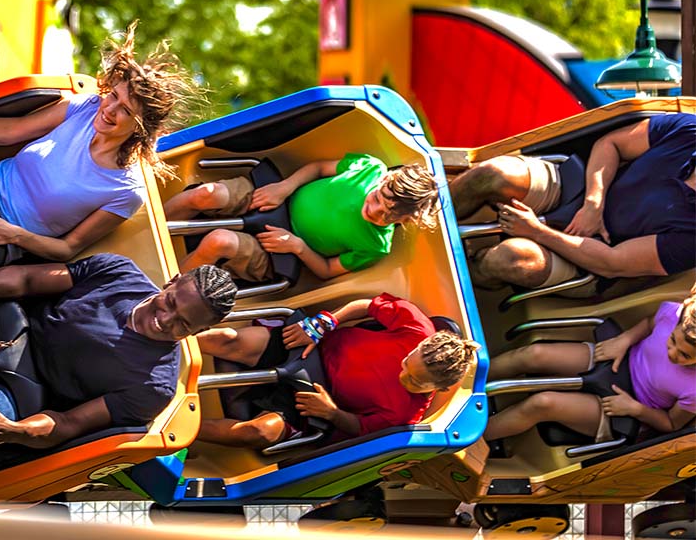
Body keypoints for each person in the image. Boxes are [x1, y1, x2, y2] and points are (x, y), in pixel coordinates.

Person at [0, 21, 206, 278]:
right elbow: (13, 130)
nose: (110, 110)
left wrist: (12, 235)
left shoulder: (126, 189)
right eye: (114, 97)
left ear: (141, 127)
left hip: (3, 234)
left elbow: (67, 249)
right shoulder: (85, 107)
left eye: (126, 111)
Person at [0, 253, 237, 449]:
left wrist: (18, 431)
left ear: (199, 332)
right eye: (170, 303)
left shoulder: (155, 387)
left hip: (24, 390)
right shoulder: (118, 272)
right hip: (11, 330)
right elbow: (30, 279)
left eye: (183, 324)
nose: (165, 319)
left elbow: (68, 423)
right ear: (172, 281)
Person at [193, 293, 478, 447]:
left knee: (257, 433)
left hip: (314, 400)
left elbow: (361, 428)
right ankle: (169, 341)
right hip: (310, 347)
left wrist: (331, 412)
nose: (404, 376)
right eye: (407, 364)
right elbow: (365, 305)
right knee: (229, 340)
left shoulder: (406, 415)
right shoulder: (416, 326)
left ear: (438, 389)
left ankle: (171, 430)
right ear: (420, 345)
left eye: (415, 381)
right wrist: (323, 324)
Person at [449, 112, 695, 290]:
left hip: (590, 255)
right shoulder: (688, 129)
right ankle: (425, 213)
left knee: (512, 258)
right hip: (578, 189)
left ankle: (450, 278)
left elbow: (613, 263)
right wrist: (593, 204)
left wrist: (537, 231)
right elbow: (611, 144)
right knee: (493, 174)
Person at [163, 154, 440, 282]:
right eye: (378, 199)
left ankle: (166, 286)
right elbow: (319, 168)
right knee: (206, 194)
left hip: (280, 249)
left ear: (403, 222)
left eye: (388, 217)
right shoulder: (368, 167)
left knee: (219, 240)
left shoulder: (375, 246)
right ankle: (143, 225)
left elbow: (327, 270)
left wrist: (297, 246)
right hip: (276, 198)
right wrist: (285, 187)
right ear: (385, 179)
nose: (375, 212)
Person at [484, 295, 696, 442]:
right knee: (534, 354)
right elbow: (650, 323)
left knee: (543, 403)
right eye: (672, 340)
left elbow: (671, 424)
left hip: (628, 406)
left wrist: (635, 409)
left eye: (684, 355)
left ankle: (471, 439)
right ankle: (466, 376)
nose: (672, 353)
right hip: (619, 361)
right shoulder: (673, 312)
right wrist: (623, 340)